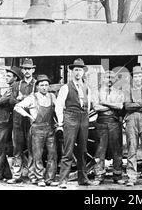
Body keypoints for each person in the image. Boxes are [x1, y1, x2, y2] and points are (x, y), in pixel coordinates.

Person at [55, 58, 96, 188]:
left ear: (83, 72)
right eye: (76, 70)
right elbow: (59, 105)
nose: (78, 73)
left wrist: (86, 117)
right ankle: (63, 180)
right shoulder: (66, 87)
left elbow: (88, 105)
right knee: (68, 150)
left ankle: (82, 178)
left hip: (83, 118)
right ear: (72, 72)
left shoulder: (86, 87)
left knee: (83, 150)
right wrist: (61, 122)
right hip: (70, 118)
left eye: (80, 70)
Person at [14, 75, 57, 187]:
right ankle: (40, 178)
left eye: (46, 85)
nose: (44, 87)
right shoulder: (32, 97)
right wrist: (28, 116)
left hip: (50, 129)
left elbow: (58, 109)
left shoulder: (52, 96)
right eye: (41, 85)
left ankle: (50, 178)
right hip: (37, 130)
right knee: (37, 155)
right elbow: (17, 107)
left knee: (52, 154)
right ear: (37, 86)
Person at [92, 71, 125, 186]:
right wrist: (112, 105)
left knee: (117, 150)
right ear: (103, 79)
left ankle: (117, 175)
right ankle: (99, 175)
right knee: (100, 150)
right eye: (107, 77)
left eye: (112, 77)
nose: (109, 79)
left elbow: (120, 106)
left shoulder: (119, 92)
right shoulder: (96, 92)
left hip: (114, 123)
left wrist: (105, 103)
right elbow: (96, 107)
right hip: (101, 123)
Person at [7, 58, 37, 184]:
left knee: (32, 149)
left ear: (33, 70)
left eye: (29, 69)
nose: (27, 71)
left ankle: (32, 175)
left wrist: (23, 98)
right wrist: (19, 100)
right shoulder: (16, 85)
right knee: (17, 148)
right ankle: (16, 175)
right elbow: (11, 101)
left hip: (32, 120)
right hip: (18, 121)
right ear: (22, 70)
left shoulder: (37, 84)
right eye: (25, 69)